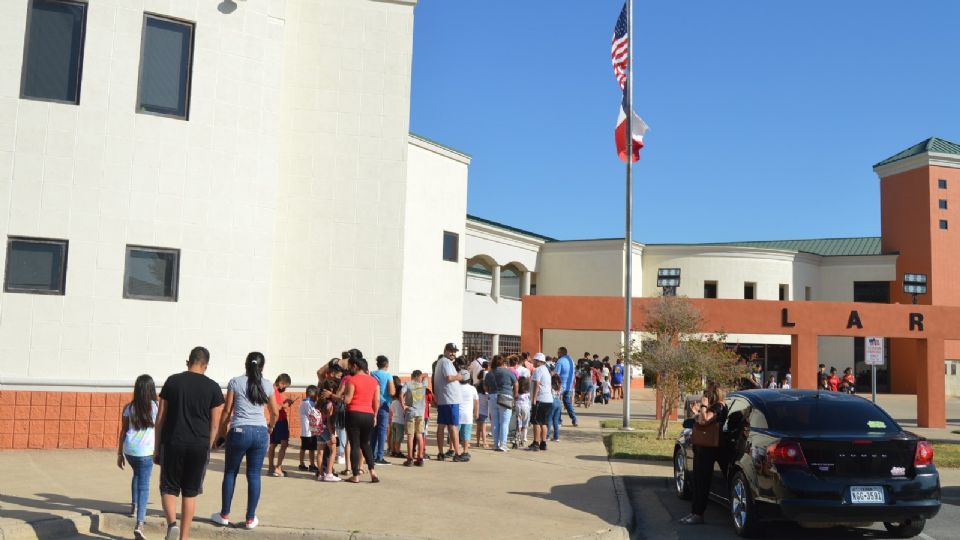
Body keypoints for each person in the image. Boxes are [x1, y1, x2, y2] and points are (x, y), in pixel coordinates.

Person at [154, 346, 225, 540]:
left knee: (168, 487)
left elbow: (160, 417)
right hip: (198, 445)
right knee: (190, 492)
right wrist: (208, 447)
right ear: (206, 365)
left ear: (189, 361)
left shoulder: (172, 382)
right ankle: (184, 537)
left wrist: (156, 447)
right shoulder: (213, 387)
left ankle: (171, 525)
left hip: (173, 442)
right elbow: (215, 424)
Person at [212, 352, 279, 530]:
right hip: (260, 433)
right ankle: (250, 519)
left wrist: (221, 431)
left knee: (230, 473)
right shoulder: (268, 384)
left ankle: (224, 514)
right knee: (254, 475)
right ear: (262, 366)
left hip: (239, 431)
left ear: (246, 364)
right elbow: (275, 412)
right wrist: (270, 427)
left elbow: (227, 410)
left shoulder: (235, 382)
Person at [680, 381, 727, 525]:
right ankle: (694, 512)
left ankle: (698, 514)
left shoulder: (719, 406)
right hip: (701, 447)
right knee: (697, 480)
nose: (704, 395)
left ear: (713, 393)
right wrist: (697, 412)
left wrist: (704, 406)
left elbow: (705, 419)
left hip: (710, 449)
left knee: (703, 482)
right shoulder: (712, 407)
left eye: (706, 393)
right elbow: (701, 420)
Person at [117, 374, 158, 540]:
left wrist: (119, 453)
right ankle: (140, 523)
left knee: (137, 474)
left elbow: (123, 431)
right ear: (151, 389)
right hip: (146, 453)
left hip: (129, 450)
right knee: (144, 486)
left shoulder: (128, 407)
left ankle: (133, 506)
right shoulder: (156, 406)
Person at [340, 354, 381, 483]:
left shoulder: (352, 380)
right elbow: (377, 401)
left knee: (355, 445)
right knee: (365, 444)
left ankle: (356, 475)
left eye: (350, 366)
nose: (349, 369)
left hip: (354, 414)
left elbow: (347, 400)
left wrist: (334, 396)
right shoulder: (374, 381)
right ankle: (373, 472)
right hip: (368, 414)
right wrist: (374, 415)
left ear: (356, 366)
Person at [434, 343, 468, 462]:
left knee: (442, 426)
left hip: (445, 399)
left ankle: (441, 453)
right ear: (445, 351)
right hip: (451, 399)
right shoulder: (446, 362)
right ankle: (457, 454)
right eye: (450, 351)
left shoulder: (441, 362)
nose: (453, 353)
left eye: (454, 351)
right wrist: (459, 377)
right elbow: (449, 377)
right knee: (453, 427)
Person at [484, 355, 519, 452]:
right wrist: (515, 394)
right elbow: (516, 383)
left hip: (492, 397)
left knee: (494, 422)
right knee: (504, 422)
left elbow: (485, 387)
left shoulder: (489, 374)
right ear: (503, 362)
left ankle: (495, 444)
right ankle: (503, 445)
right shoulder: (509, 372)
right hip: (506, 397)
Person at [369, 356, 396, 466]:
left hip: (373, 404)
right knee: (382, 431)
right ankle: (380, 456)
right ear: (387, 364)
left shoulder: (372, 374)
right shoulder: (388, 375)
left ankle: (371, 454)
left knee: (373, 430)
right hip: (384, 404)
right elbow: (392, 391)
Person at [267, 373, 294, 477]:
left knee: (273, 444)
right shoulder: (274, 391)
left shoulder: (272, 390)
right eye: (285, 386)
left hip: (275, 420)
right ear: (281, 383)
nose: (285, 389)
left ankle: (271, 468)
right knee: (284, 444)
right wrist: (285, 405)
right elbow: (276, 407)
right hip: (280, 420)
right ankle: (278, 468)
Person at [316, 379, 342, 482]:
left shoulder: (318, 402)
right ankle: (329, 473)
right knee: (333, 451)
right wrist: (332, 434)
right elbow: (329, 421)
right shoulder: (330, 404)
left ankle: (321, 474)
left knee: (320, 452)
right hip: (327, 429)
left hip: (318, 428)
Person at [528, 353, 553, 452]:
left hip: (540, 399)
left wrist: (534, 399)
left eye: (534, 360)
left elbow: (537, 384)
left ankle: (536, 442)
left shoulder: (538, 370)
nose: (533, 362)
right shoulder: (546, 370)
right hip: (548, 399)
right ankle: (543, 443)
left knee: (536, 422)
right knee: (544, 423)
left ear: (539, 362)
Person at [402, 370, 428, 467]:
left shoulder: (408, 384)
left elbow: (401, 394)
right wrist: (423, 376)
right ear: (419, 376)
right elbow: (426, 376)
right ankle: (420, 457)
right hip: (420, 413)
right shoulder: (423, 384)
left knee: (410, 435)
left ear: (412, 376)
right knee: (419, 435)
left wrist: (403, 405)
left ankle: (410, 458)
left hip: (411, 411)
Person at [298, 385, 321, 472]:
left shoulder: (310, 403)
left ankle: (312, 464)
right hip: (307, 430)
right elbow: (312, 414)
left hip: (311, 430)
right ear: (312, 394)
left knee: (312, 448)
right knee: (304, 447)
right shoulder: (307, 403)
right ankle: (302, 463)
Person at [457, 370, 479, 457]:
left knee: (454, 433)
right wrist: (476, 413)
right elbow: (476, 402)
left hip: (456, 414)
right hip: (468, 415)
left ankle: (453, 449)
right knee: (466, 434)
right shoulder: (472, 388)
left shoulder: (455, 387)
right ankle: (465, 451)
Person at [555, 347, 578, 427]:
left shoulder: (560, 361)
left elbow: (556, 374)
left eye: (558, 352)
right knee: (567, 403)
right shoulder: (571, 361)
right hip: (569, 386)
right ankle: (574, 419)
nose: (557, 354)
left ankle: (558, 420)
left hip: (560, 386)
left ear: (561, 353)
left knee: (558, 403)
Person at [388, 377, 406, 458]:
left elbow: (391, 410)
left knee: (394, 438)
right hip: (400, 422)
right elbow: (404, 412)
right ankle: (398, 451)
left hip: (394, 421)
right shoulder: (401, 404)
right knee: (398, 438)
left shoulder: (393, 402)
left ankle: (393, 450)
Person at [513, 377, 531, 449]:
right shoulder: (528, 393)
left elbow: (514, 398)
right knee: (525, 425)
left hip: (517, 407)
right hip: (526, 408)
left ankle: (517, 440)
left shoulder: (516, 392)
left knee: (518, 425)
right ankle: (522, 440)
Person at [548, 373, 563, 442]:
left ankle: (547, 436)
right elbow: (561, 396)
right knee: (556, 421)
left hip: (552, 401)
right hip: (559, 402)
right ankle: (556, 437)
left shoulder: (550, 386)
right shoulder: (560, 386)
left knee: (549, 419)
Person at [475, 380, 489, 449]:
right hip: (484, 414)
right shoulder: (487, 395)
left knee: (478, 429)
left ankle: (478, 442)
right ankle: (484, 443)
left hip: (478, 413)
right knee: (483, 429)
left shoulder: (477, 395)